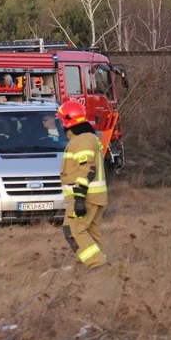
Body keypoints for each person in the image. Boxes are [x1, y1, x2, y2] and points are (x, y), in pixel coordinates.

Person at [58, 100, 108, 270]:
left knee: (73, 229)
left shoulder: (83, 140)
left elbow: (87, 168)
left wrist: (79, 198)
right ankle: (102, 269)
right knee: (91, 232)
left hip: (85, 196)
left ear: (68, 120)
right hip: (94, 196)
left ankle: (96, 265)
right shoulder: (87, 137)